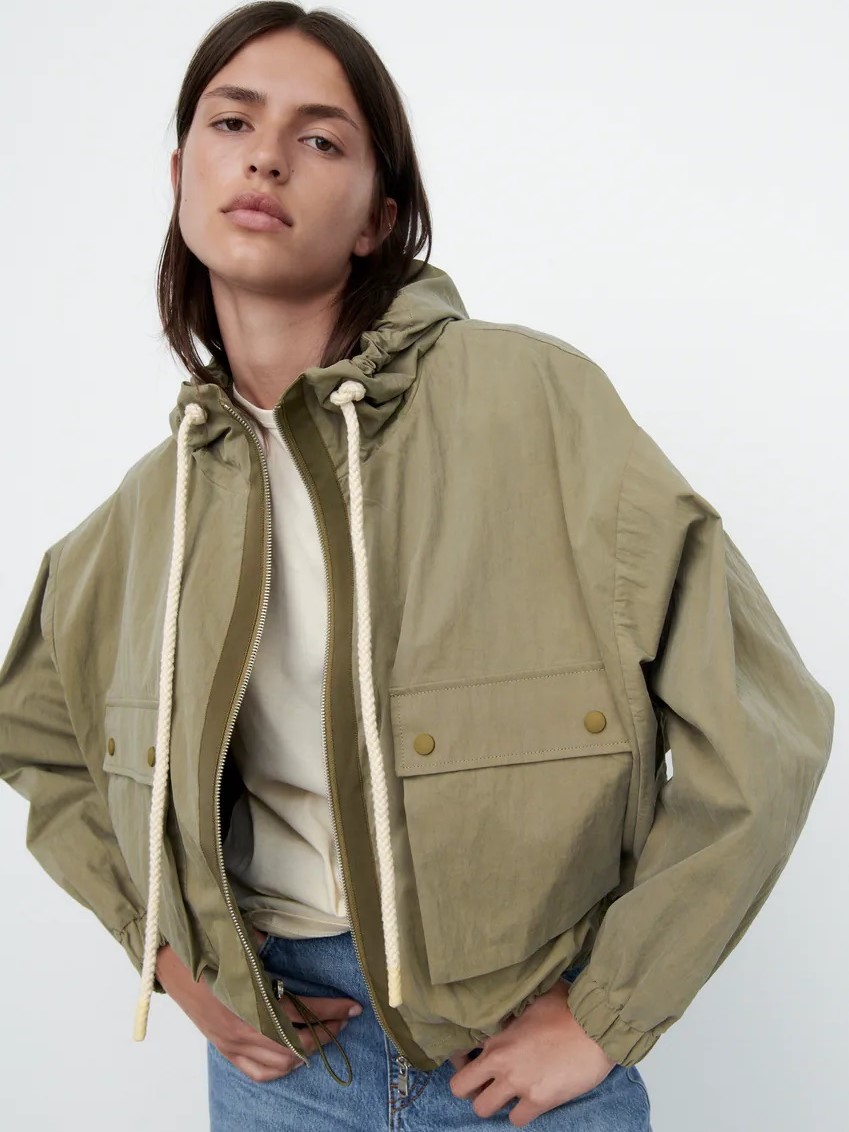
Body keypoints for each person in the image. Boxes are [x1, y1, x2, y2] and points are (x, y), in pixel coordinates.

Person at [0, 2, 834, 1129]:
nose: (264, 156)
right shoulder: (147, 515)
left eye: (320, 138)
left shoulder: (536, 405)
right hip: (282, 1066)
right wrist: (169, 958)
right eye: (231, 122)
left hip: (523, 1060)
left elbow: (766, 720)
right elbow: (37, 732)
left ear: (377, 220)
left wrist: (608, 1011)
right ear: (181, 173)